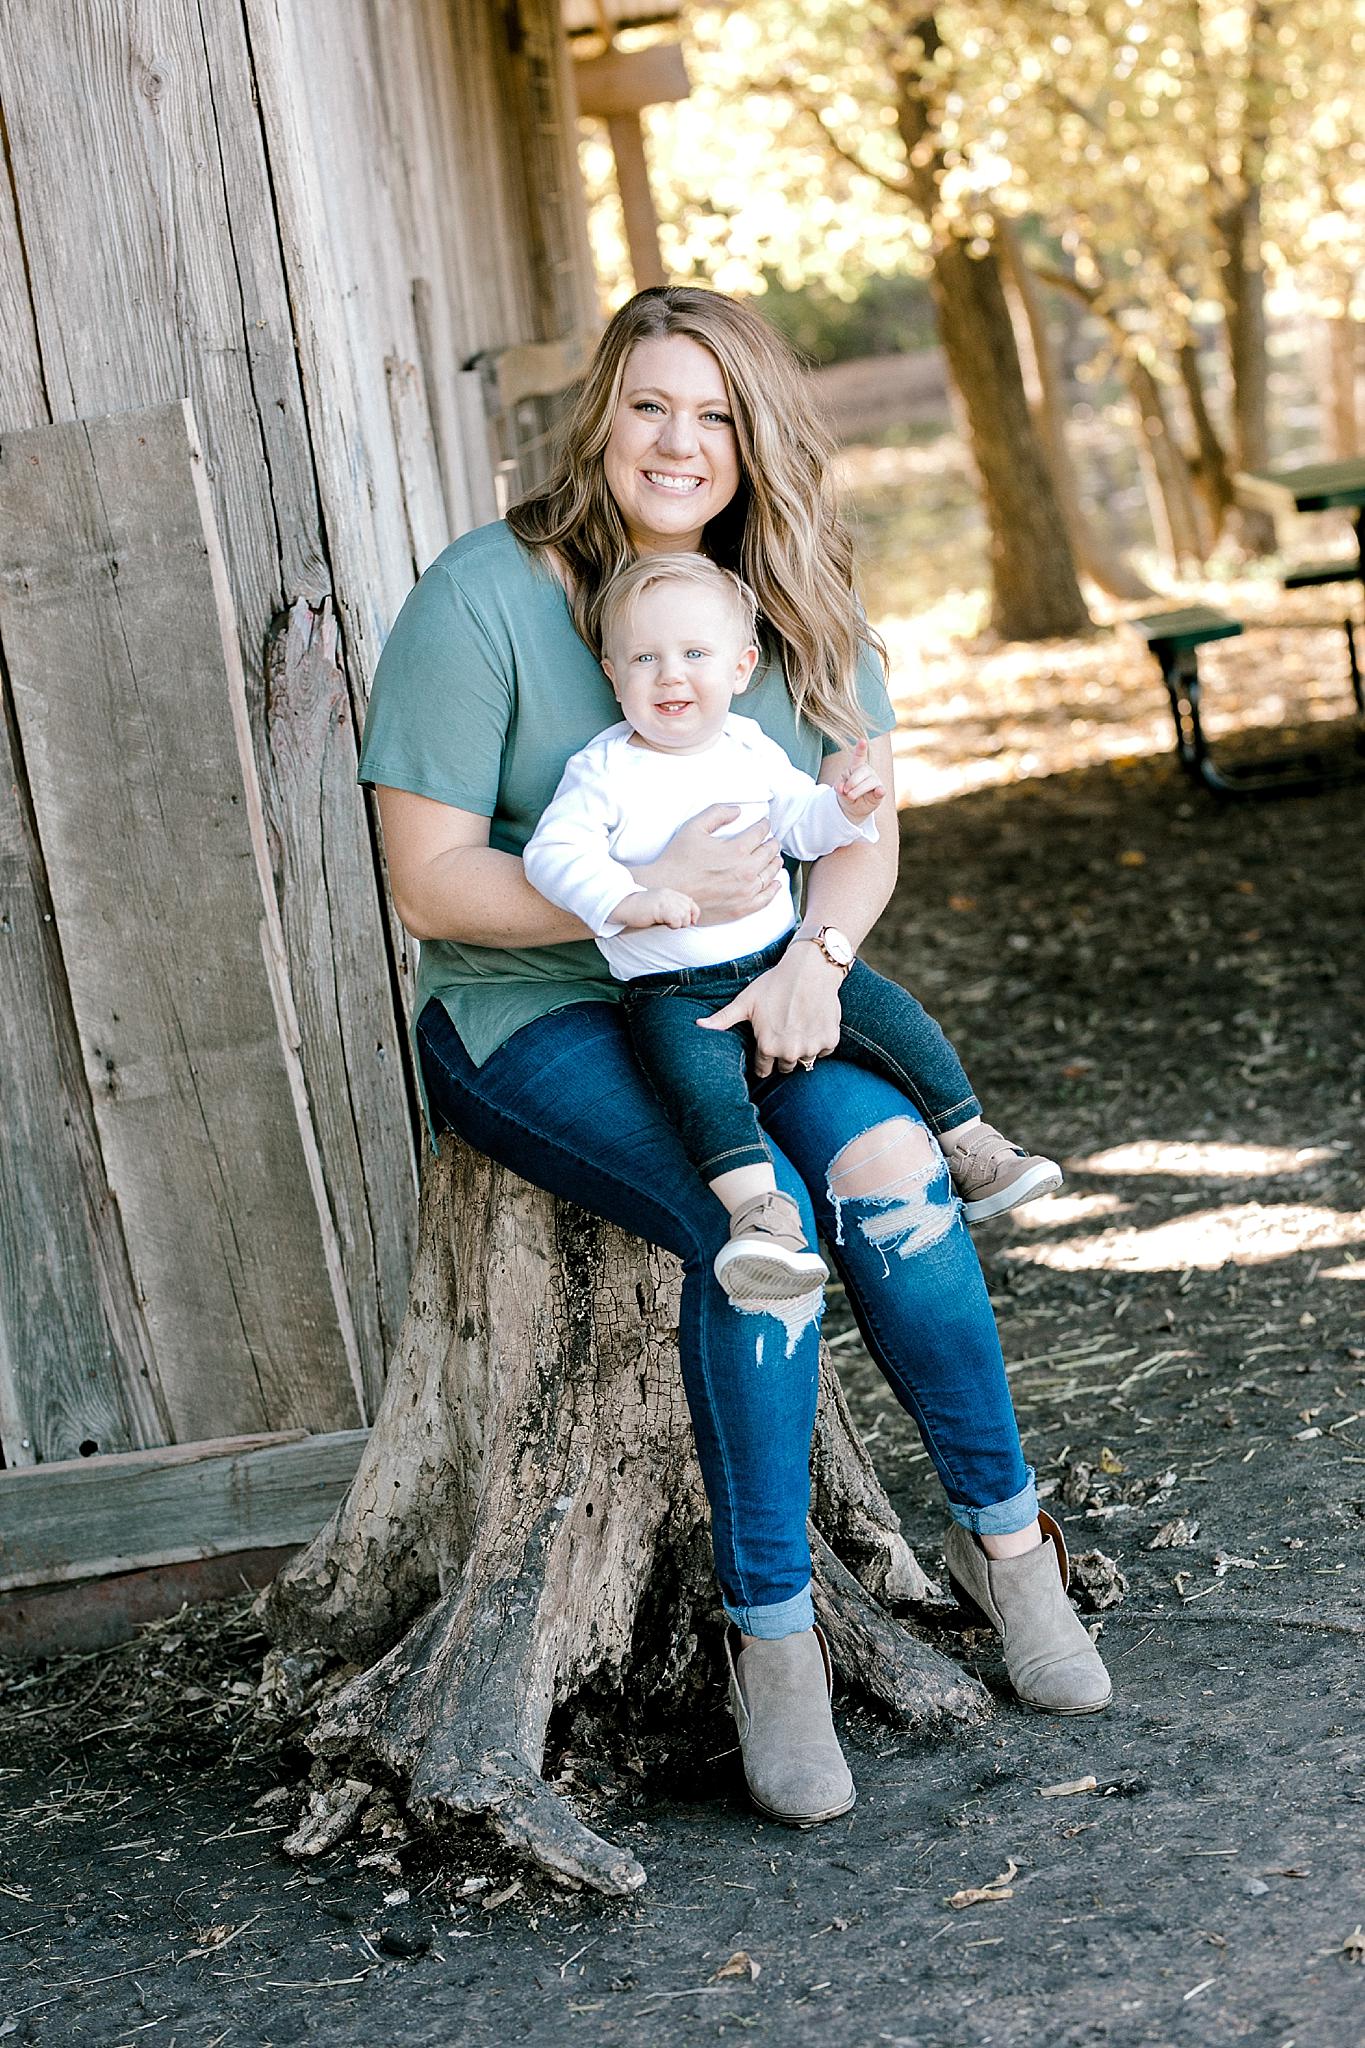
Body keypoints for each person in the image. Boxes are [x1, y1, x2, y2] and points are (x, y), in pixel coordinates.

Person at [359, 285, 1111, 1831]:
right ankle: (773, 1639)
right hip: (536, 1005)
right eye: (648, 405)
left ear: (758, 433)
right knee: (750, 1219)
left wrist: (810, 963)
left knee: (900, 1174)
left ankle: (1006, 1543)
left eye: (714, 413)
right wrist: (658, 902)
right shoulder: (486, 596)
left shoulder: (793, 595)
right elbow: (426, 877)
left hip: (759, 984)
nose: (679, 442)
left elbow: (859, 832)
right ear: (600, 418)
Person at [522, 550, 1062, 1308]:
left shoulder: (749, 748)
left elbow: (800, 826)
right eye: (644, 657)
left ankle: (971, 1144)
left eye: (694, 655)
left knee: (897, 1020)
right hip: (676, 990)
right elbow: (553, 855)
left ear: (741, 667)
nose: (670, 675)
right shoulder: (603, 770)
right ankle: (761, 1221)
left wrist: (843, 807)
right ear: (612, 673)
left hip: (780, 958)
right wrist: (629, 895)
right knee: (699, 1092)